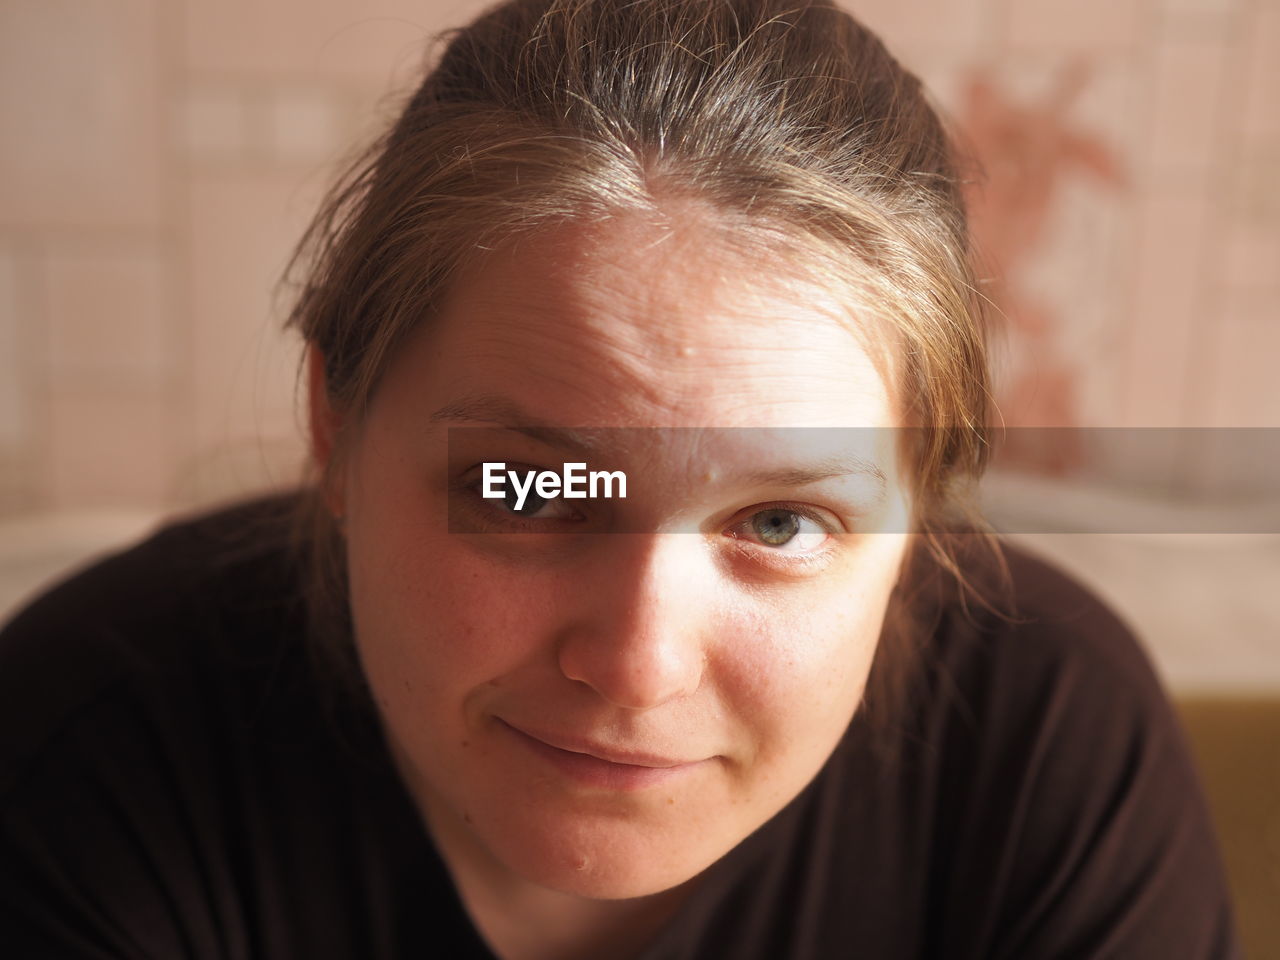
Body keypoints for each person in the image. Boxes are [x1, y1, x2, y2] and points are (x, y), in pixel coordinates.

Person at [0, 1, 1240, 957]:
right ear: (333, 420)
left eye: (777, 519)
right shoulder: (81, 760)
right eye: (525, 489)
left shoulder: (1049, 765)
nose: (639, 663)